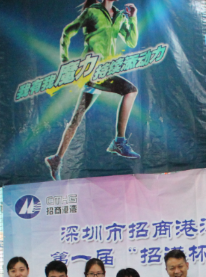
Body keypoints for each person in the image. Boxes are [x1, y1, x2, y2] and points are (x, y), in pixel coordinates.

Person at [44, 0, 140, 180]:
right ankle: (119, 141)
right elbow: (67, 32)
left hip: (104, 72)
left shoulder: (119, 16)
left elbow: (132, 41)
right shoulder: (92, 12)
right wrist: (65, 61)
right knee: (130, 90)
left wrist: (132, 18)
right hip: (92, 71)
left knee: (76, 119)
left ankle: (56, 158)